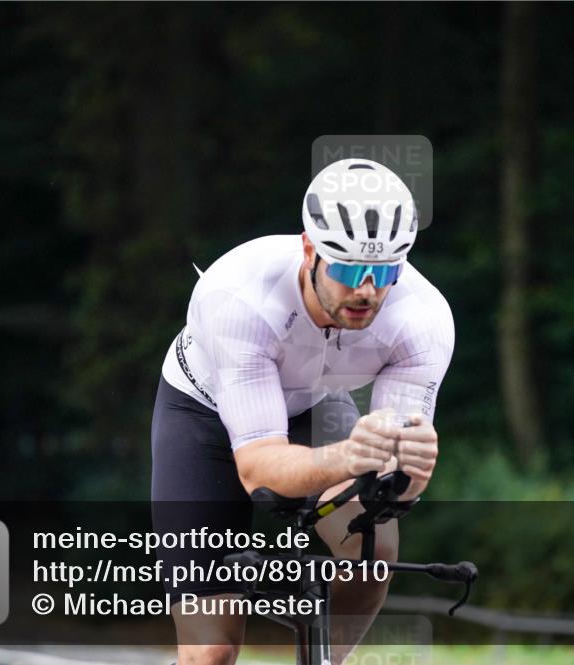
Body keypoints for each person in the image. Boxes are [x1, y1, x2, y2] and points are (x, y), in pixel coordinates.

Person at [151, 158, 454, 665]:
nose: (367, 290)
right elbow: (258, 469)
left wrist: (409, 473)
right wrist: (352, 456)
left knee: (373, 550)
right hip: (201, 412)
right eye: (350, 269)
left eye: (384, 272)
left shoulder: (422, 320)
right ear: (309, 249)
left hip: (313, 404)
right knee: (211, 651)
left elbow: (391, 483)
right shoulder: (239, 297)